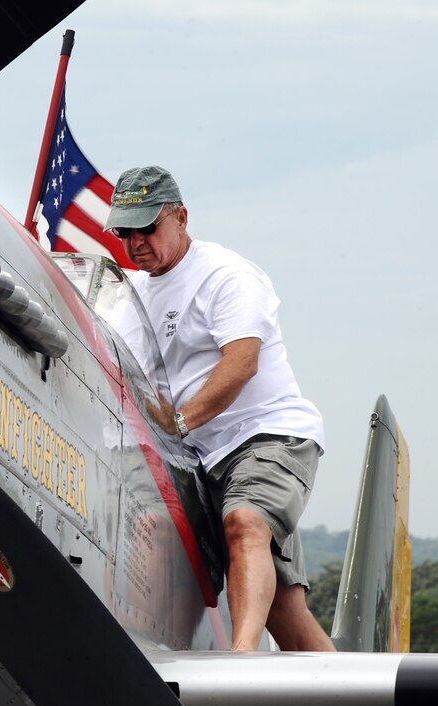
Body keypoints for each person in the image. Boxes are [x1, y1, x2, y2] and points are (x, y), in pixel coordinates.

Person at [104, 166, 333, 652]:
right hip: (199, 463)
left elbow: (242, 362)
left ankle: (243, 658)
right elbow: (121, 382)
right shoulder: (132, 299)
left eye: (147, 227)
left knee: (245, 522)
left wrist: (179, 422)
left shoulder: (226, 275)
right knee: (286, 612)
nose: (135, 242)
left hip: (265, 436)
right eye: (125, 232)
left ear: (181, 217)